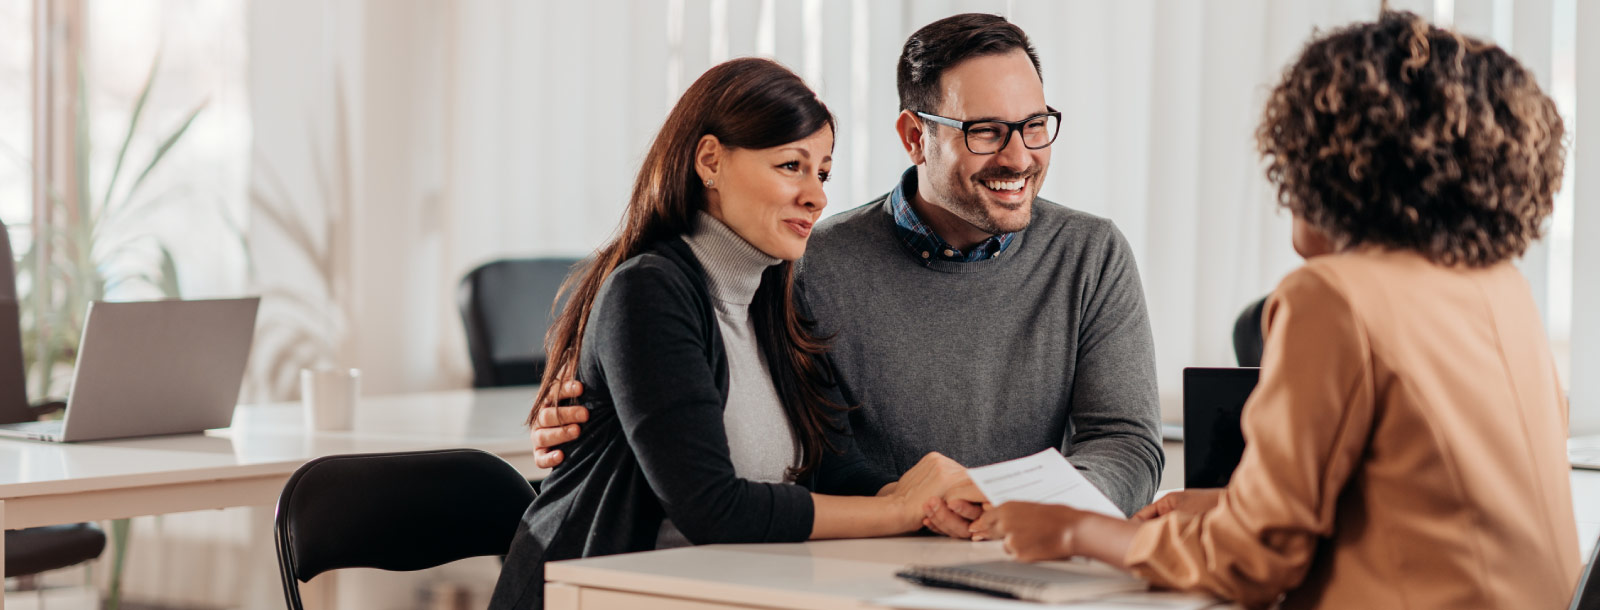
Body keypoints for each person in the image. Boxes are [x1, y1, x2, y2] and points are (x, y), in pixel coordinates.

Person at [963, 11, 1578, 609]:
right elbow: (1420, 503)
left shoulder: (1333, 297)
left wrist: (1076, 531)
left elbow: (1252, 561)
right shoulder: (1500, 287)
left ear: (1334, 164)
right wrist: (1224, 505)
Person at [529, 13, 1165, 534]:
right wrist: (595, 412)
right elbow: (716, 479)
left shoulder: (1092, 253)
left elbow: (1125, 445)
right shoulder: (803, 265)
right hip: (815, 575)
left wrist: (1030, 510)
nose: (1020, 155)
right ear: (915, 137)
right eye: (987, 131)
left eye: (1033, 126)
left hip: (997, 552)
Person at [488, 58, 968, 610]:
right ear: (710, 160)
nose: (817, 196)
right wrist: (899, 510)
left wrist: (928, 503)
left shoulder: (775, 298)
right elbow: (710, 507)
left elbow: (834, 467)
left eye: (823, 173)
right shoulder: (648, 292)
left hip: (723, 591)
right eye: (791, 165)